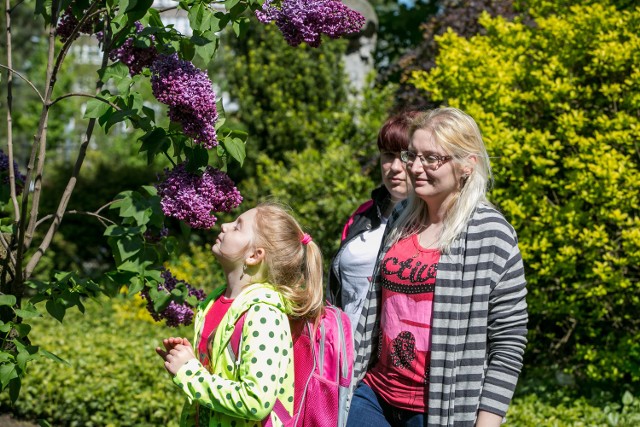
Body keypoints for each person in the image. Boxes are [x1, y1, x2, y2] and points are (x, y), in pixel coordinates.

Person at [347, 107, 528, 427]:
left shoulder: (492, 234)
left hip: (440, 408)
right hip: (374, 395)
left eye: (431, 158)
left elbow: (509, 340)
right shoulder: (401, 218)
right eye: (412, 155)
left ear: (466, 165)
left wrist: (487, 422)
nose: (415, 167)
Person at [156, 202, 324, 427]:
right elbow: (216, 379)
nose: (224, 225)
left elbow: (256, 401)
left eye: (237, 227)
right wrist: (186, 362)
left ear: (255, 255)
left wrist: (190, 374)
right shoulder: (214, 303)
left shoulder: (264, 314)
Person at [328, 111, 419, 336]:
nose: (395, 167)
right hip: (345, 350)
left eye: (405, 156)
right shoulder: (362, 216)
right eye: (388, 155)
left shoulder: (433, 222)